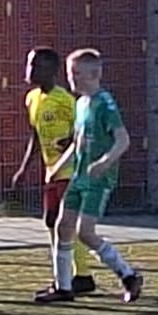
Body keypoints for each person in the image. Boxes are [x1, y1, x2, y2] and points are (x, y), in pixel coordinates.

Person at [34, 49, 144, 304]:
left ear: (94, 74)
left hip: (98, 180)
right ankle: (63, 287)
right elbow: (78, 142)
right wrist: (58, 167)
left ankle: (128, 275)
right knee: (63, 226)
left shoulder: (105, 104)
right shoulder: (81, 103)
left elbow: (123, 140)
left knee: (85, 232)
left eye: (76, 73)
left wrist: (104, 162)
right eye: (70, 73)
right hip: (78, 176)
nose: (71, 78)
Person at [12, 47, 97, 294]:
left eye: (36, 66)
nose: (30, 71)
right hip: (52, 170)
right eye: (29, 64)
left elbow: (84, 129)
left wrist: (71, 141)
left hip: (71, 170)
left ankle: (77, 276)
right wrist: (24, 168)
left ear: (52, 70)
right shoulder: (32, 98)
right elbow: (36, 135)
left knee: (60, 222)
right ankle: (76, 275)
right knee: (53, 222)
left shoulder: (65, 100)